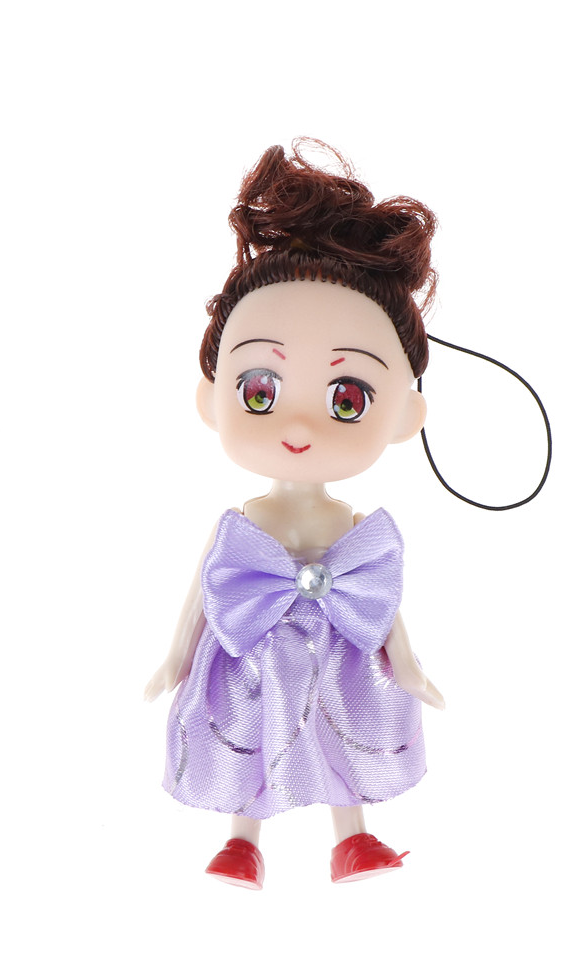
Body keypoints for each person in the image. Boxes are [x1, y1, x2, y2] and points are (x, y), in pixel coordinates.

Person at [144, 140, 444, 888]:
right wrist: (175, 656)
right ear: (211, 398)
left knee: (346, 736)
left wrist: (407, 663)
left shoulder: (354, 528)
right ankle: (243, 840)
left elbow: (378, 598)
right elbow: (206, 590)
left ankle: (353, 839)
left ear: (405, 416)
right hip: (250, 651)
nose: (300, 424)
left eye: (348, 398)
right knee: (245, 738)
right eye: (260, 391)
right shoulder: (243, 521)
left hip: (341, 652)